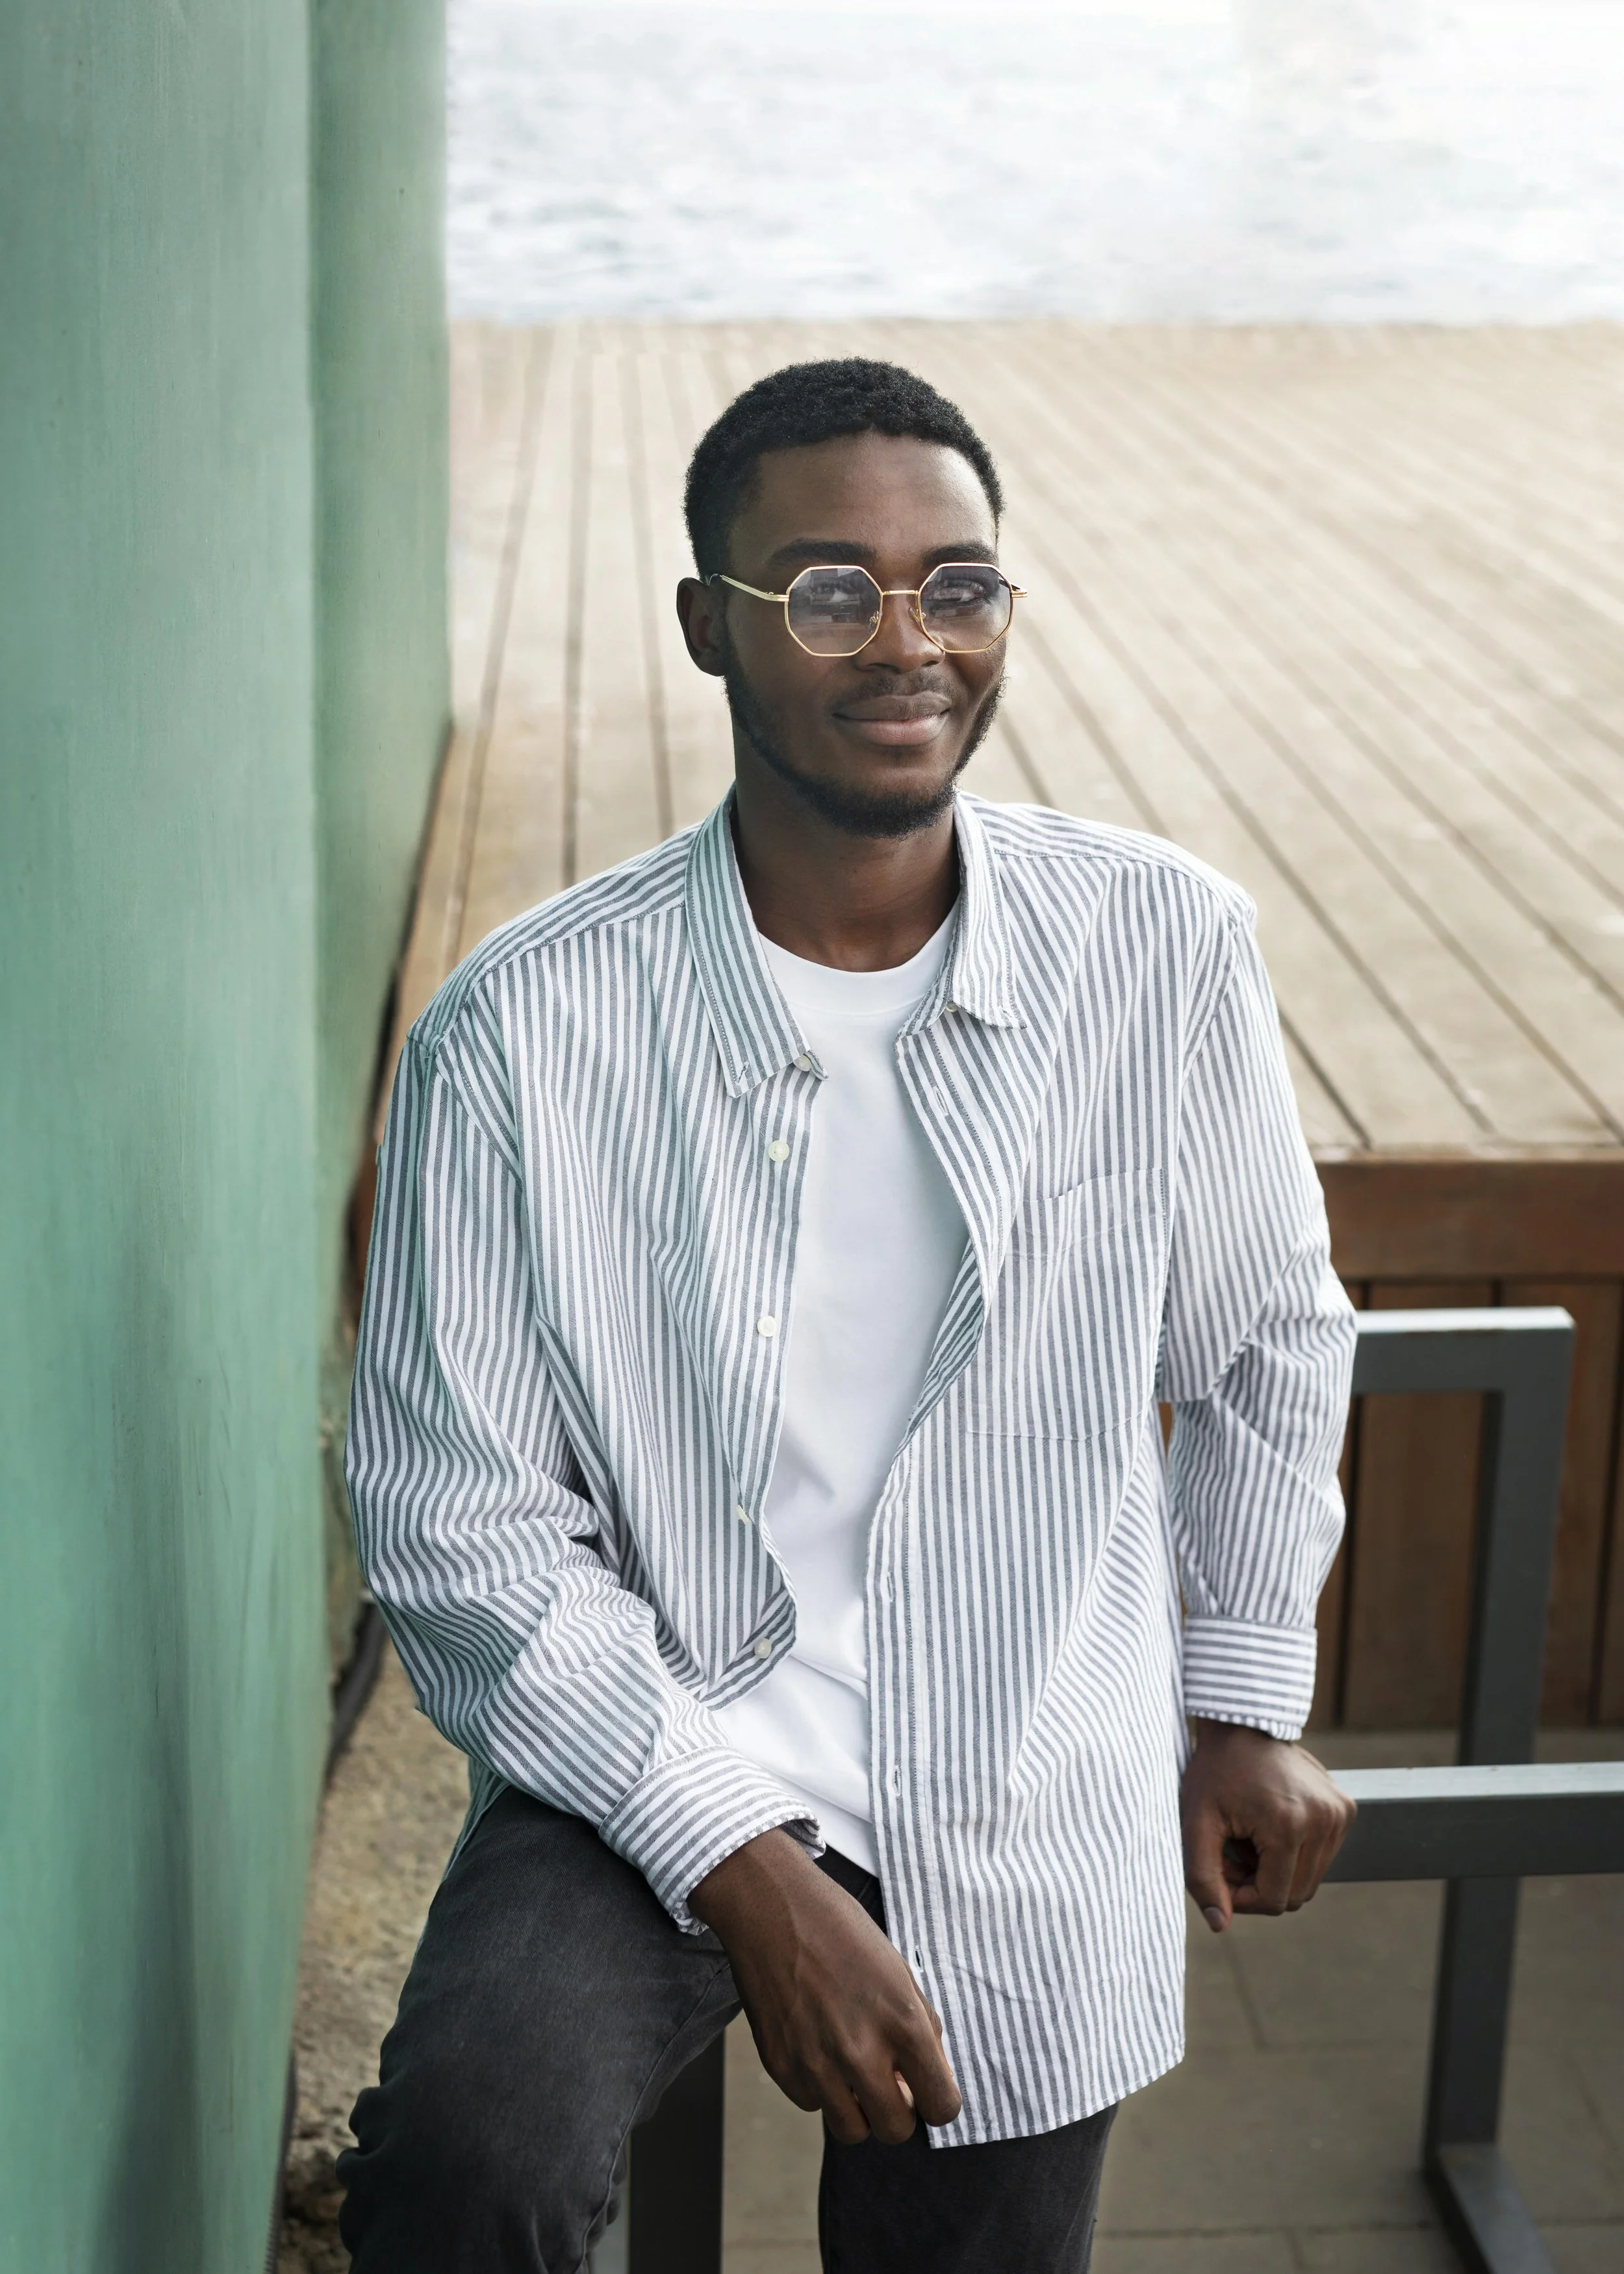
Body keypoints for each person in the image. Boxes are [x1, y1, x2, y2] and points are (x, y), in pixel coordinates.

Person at [339, 358, 1357, 2274]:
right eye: (825, 591)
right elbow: (456, 1516)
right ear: (708, 629)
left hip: (1032, 1738)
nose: (904, 643)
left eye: (954, 585)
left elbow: (1266, 1340)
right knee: (463, 2163)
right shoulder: (524, 1028)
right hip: (661, 1722)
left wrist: (1237, 1698)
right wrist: (738, 1861)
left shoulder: (1161, 950)